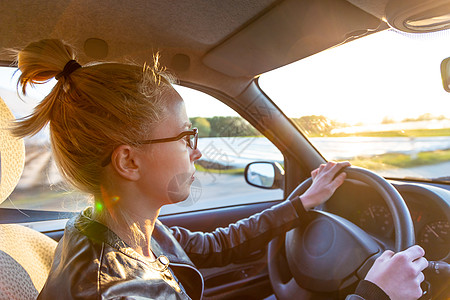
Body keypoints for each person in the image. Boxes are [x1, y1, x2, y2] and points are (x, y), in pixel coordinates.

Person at [11, 39, 427, 300]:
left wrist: (301, 204)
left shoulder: (119, 229)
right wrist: (375, 294)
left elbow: (215, 246)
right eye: (185, 137)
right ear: (129, 161)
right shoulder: (120, 290)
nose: (197, 152)